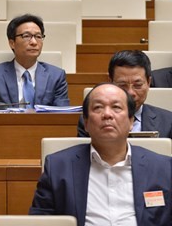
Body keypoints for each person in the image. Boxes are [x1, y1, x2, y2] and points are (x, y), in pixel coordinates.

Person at [30, 83, 172, 225]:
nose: (107, 114)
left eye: (116, 107)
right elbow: (41, 220)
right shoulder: (58, 167)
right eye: (98, 107)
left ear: (131, 122)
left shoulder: (163, 167)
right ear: (86, 123)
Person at [0, 14, 69, 107]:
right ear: (12, 43)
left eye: (38, 36)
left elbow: (62, 115)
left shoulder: (56, 76)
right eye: (26, 36)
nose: (34, 42)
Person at [77, 50, 172, 138]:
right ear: (110, 82)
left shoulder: (168, 121)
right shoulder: (91, 120)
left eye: (137, 85)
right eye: (122, 85)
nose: (130, 92)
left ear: (148, 82)